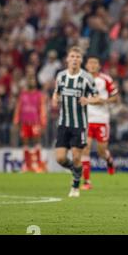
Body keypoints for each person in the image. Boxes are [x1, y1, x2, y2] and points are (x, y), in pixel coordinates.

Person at [52, 46, 100, 197]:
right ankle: (76, 170)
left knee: (77, 156)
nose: (74, 59)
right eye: (72, 56)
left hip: (79, 125)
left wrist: (88, 100)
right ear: (67, 59)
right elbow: (56, 93)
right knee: (60, 158)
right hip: (63, 123)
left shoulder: (87, 78)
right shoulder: (61, 77)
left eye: (77, 57)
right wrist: (54, 99)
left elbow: (97, 97)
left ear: (81, 60)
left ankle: (75, 186)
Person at [80, 55, 119, 190]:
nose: (92, 65)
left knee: (102, 151)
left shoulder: (105, 79)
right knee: (85, 149)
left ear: (99, 66)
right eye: (90, 63)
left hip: (101, 119)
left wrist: (104, 101)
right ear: (86, 65)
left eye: (95, 63)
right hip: (86, 120)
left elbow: (115, 97)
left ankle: (109, 160)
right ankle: (87, 182)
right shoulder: (81, 79)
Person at [13, 75, 47, 173]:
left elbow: (42, 109)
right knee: (25, 143)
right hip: (24, 122)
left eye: (33, 80)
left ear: (35, 82)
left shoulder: (39, 95)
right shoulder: (22, 94)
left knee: (37, 142)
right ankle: (27, 165)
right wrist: (16, 121)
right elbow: (18, 108)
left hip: (35, 122)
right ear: (27, 82)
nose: (31, 82)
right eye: (29, 80)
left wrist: (43, 123)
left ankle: (39, 164)